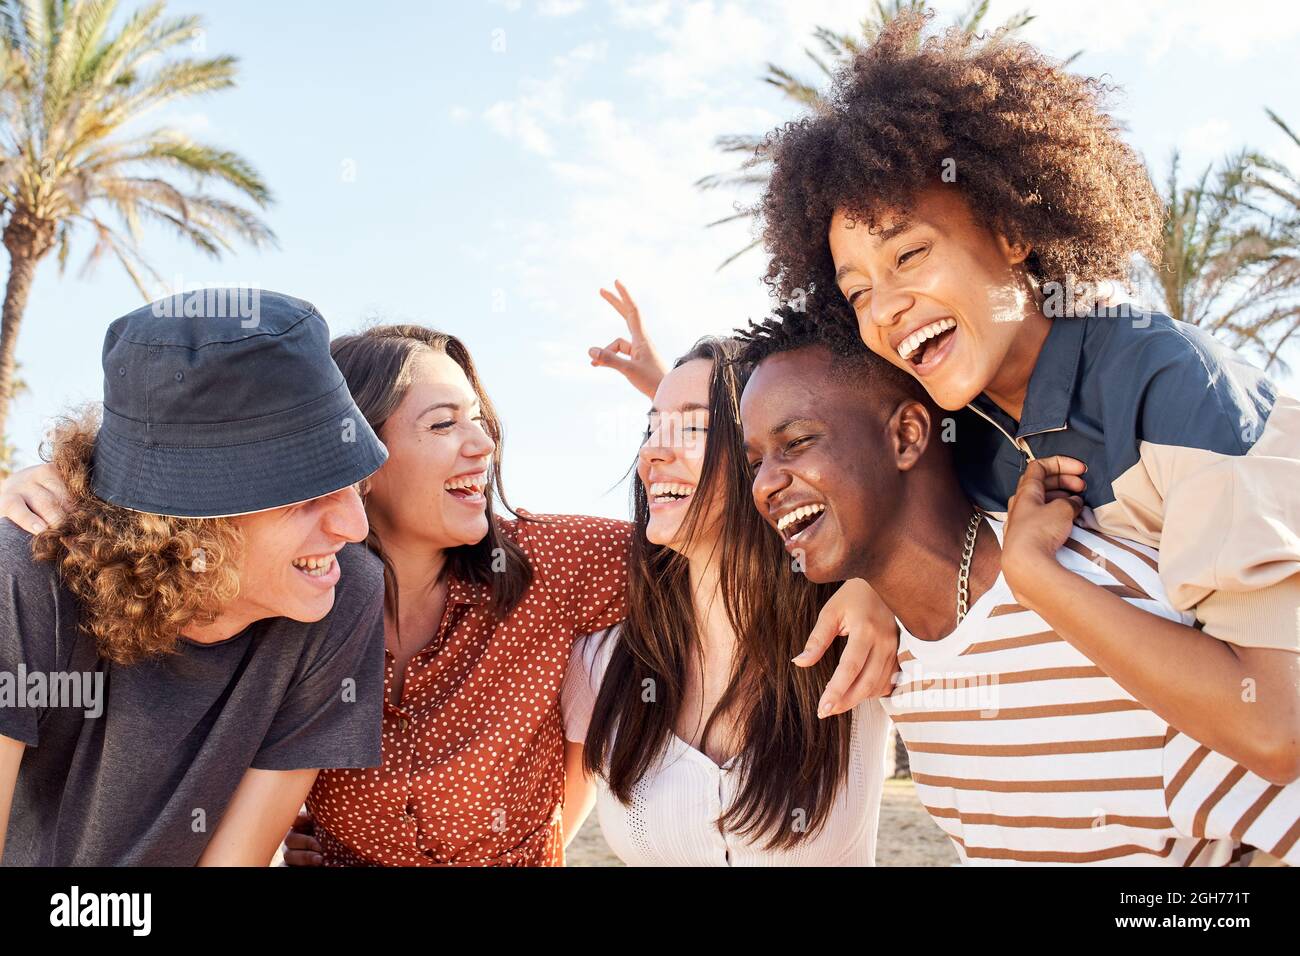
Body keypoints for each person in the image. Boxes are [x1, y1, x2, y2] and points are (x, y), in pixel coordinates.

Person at [2, 289, 898, 866]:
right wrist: (66, 484)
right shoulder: (287, 592)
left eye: (484, 419)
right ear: (356, 449)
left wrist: (865, 576)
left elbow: (722, 526)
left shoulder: (543, 566)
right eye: (442, 424)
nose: (484, 444)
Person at [756, 12, 1300, 782]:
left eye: (910, 254)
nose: (885, 309)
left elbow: (1279, 728)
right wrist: (869, 583)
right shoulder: (956, 423)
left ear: (1011, 230)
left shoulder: (1169, 385)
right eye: (858, 293)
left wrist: (1040, 578)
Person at [737, 308, 1300, 865]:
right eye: (755, 461)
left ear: (908, 436)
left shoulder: (1111, 612)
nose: (764, 485)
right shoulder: (893, 651)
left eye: (797, 442)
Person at [0, 289, 389, 866]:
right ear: (187, 524)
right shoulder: (26, 578)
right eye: (305, 497)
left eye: (352, 480)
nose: (354, 527)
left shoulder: (340, 592)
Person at [561, 337, 890, 865]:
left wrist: (878, 583)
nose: (651, 453)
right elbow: (548, 832)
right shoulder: (602, 664)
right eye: (651, 429)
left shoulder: (858, 636)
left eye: (691, 429)